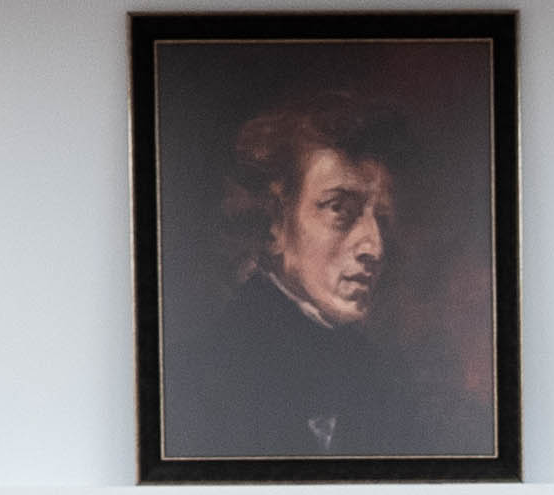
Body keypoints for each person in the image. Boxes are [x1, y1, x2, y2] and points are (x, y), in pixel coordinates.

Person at [170, 91, 466, 463]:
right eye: (339, 209)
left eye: (381, 219)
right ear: (274, 222)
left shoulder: (382, 376)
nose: (374, 247)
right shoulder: (198, 376)